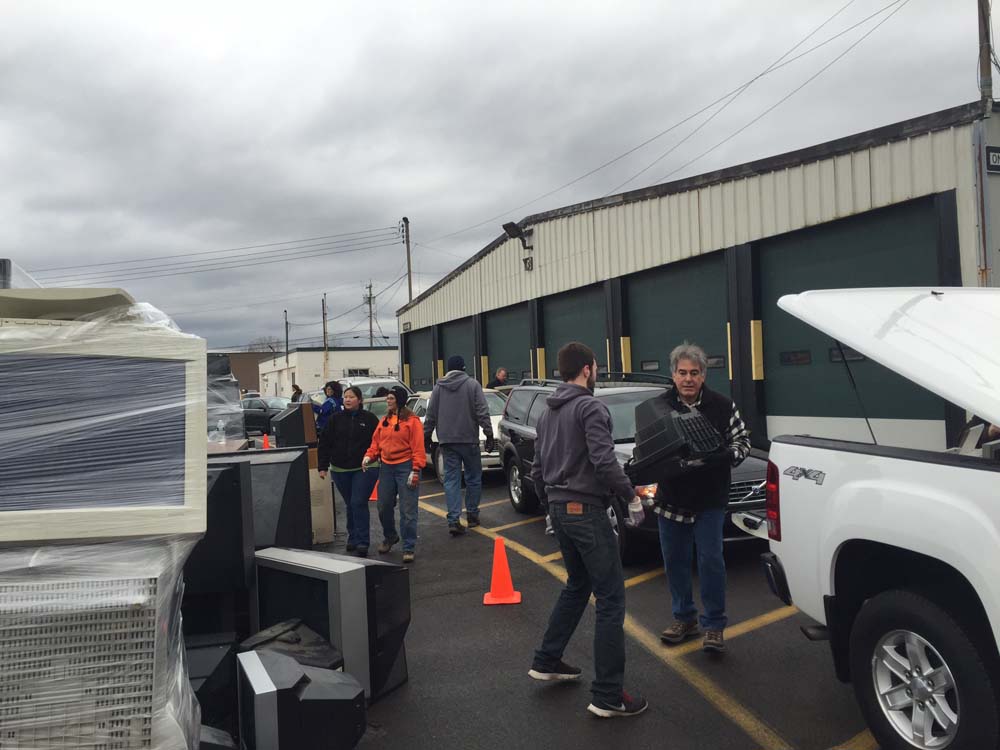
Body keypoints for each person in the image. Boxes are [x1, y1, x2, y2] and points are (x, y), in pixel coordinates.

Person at [528, 341, 648, 719]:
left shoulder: (548, 414)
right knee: (611, 600)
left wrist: (551, 509)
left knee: (578, 585)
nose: (596, 373)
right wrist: (630, 496)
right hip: (587, 510)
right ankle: (609, 695)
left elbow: (536, 470)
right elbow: (603, 460)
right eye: (596, 367)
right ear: (586, 370)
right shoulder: (590, 406)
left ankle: (547, 659)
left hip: (562, 512)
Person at [656, 342, 749, 655]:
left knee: (711, 562)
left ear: (703, 375)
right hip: (671, 499)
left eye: (694, 373)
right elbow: (648, 447)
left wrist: (725, 456)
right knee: (676, 563)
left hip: (710, 499)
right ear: (673, 374)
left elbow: (742, 443)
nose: (688, 379)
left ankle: (713, 626)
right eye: (682, 373)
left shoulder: (723, 406)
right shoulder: (659, 407)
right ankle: (684, 618)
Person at [423, 355, 495, 535]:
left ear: (447, 369)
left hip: (447, 441)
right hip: (469, 439)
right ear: (463, 368)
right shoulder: (472, 385)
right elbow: (482, 411)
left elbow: (431, 414)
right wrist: (489, 433)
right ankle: (472, 514)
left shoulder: (438, 388)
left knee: (452, 480)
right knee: (473, 478)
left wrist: (426, 435)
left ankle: (454, 519)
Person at [363, 386, 426, 564]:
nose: (387, 401)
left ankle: (408, 546)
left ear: (398, 400)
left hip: (406, 467)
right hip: (387, 468)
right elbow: (376, 443)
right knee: (383, 506)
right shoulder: (384, 421)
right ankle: (390, 536)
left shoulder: (412, 422)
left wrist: (415, 469)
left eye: (390, 398)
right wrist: (369, 456)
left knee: (408, 510)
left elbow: (418, 448)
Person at [317, 386, 379, 556]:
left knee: (358, 502)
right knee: (350, 503)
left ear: (360, 400)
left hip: (364, 468)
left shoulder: (370, 419)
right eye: (345, 397)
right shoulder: (335, 419)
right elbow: (324, 443)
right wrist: (322, 466)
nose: (348, 400)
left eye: (352, 397)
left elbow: (379, 442)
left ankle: (362, 541)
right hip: (340, 469)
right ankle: (352, 537)